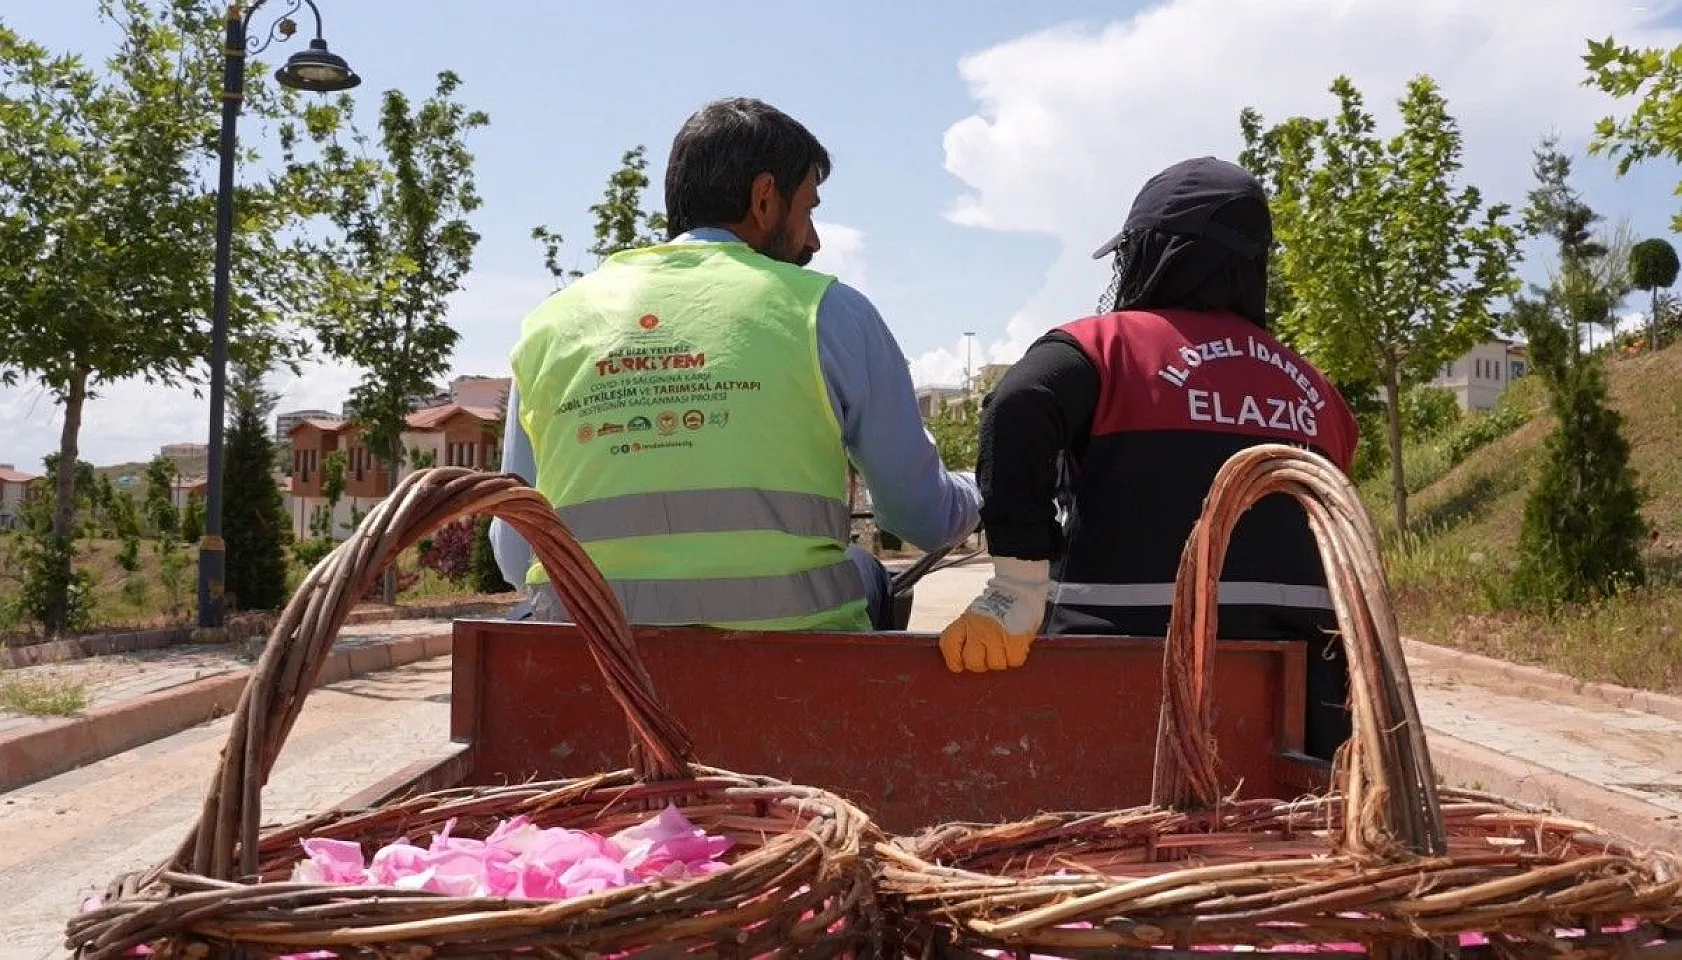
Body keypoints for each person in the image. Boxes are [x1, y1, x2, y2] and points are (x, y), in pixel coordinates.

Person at [491, 97, 979, 632]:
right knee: (868, 571)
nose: (813, 239)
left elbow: (516, 557)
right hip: (793, 663)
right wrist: (981, 489)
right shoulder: (830, 314)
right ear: (765, 198)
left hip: (597, 663)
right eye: (809, 209)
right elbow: (922, 517)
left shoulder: (547, 328)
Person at [936, 156, 1359, 762]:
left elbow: (1018, 401)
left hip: (1122, 684)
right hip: (1303, 720)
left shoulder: (1103, 349)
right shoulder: (1318, 394)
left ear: (1149, 253)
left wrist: (1018, 582)